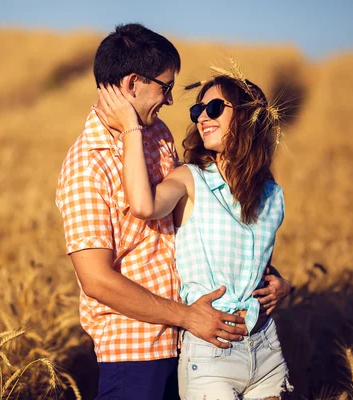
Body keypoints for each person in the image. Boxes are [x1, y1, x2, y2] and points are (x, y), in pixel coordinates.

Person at [56, 23, 291, 400]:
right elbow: (96, 280)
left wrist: (271, 279)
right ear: (133, 83)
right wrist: (187, 316)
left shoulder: (158, 135)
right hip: (136, 350)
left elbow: (206, 222)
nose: (169, 100)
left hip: (193, 338)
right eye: (166, 87)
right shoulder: (88, 164)